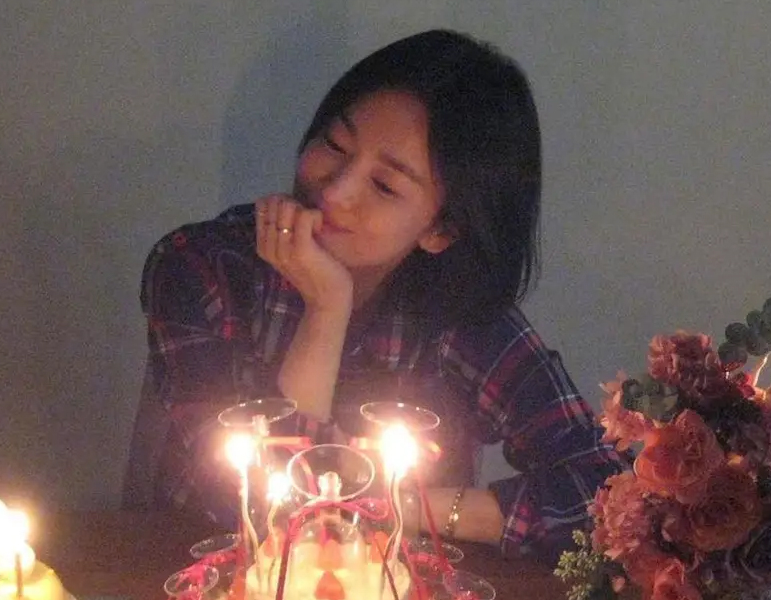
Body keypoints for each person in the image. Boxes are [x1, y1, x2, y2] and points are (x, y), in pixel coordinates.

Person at [124, 29, 626, 563]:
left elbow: (607, 495)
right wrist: (326, 308)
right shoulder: (203, 269)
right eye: (334, 146)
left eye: (384, 186)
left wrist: (403, 508)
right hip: (208, 573)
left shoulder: (458, 309)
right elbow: (250, 508)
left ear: (442, 229)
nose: (334, 191)